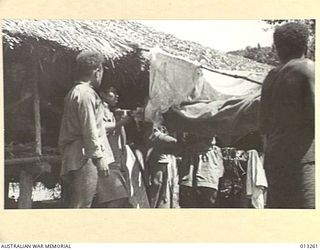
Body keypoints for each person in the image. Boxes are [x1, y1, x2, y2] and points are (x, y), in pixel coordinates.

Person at [259, 22, 315, 208]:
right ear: (306, 45)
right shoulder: (308, 69)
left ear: (277, 48)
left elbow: (264, 126)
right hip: (303, 160)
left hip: (274, 161)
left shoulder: (271, 77)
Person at [58, 51, 114, 208]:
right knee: (82, 204)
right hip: (83, 154)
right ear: (97, 71)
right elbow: (89, 128)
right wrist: (98, 157)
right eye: (101, 72)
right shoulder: (85, 94)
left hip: (78, 152)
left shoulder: (76, 92)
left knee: (79, 203)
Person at [93, 87, 133, 208]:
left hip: (115, 161)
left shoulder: (110, 111)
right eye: (113, 92)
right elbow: (98, 128)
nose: (117, 95)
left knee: (119, 199)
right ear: (102, 94)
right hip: (106, 161)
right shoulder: (98, 108)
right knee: (117, 198)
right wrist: (119, 123)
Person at [179, 135, 224, 208]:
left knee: (208, 195)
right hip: (190, 159)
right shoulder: (185, 125)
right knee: (188, 196)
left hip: (209, 160)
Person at [146, 123, 180, 208]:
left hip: (169, 155)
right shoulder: (153, 115)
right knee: (157, 182)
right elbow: (153, 135)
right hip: (157, 152)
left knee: (170, 185)